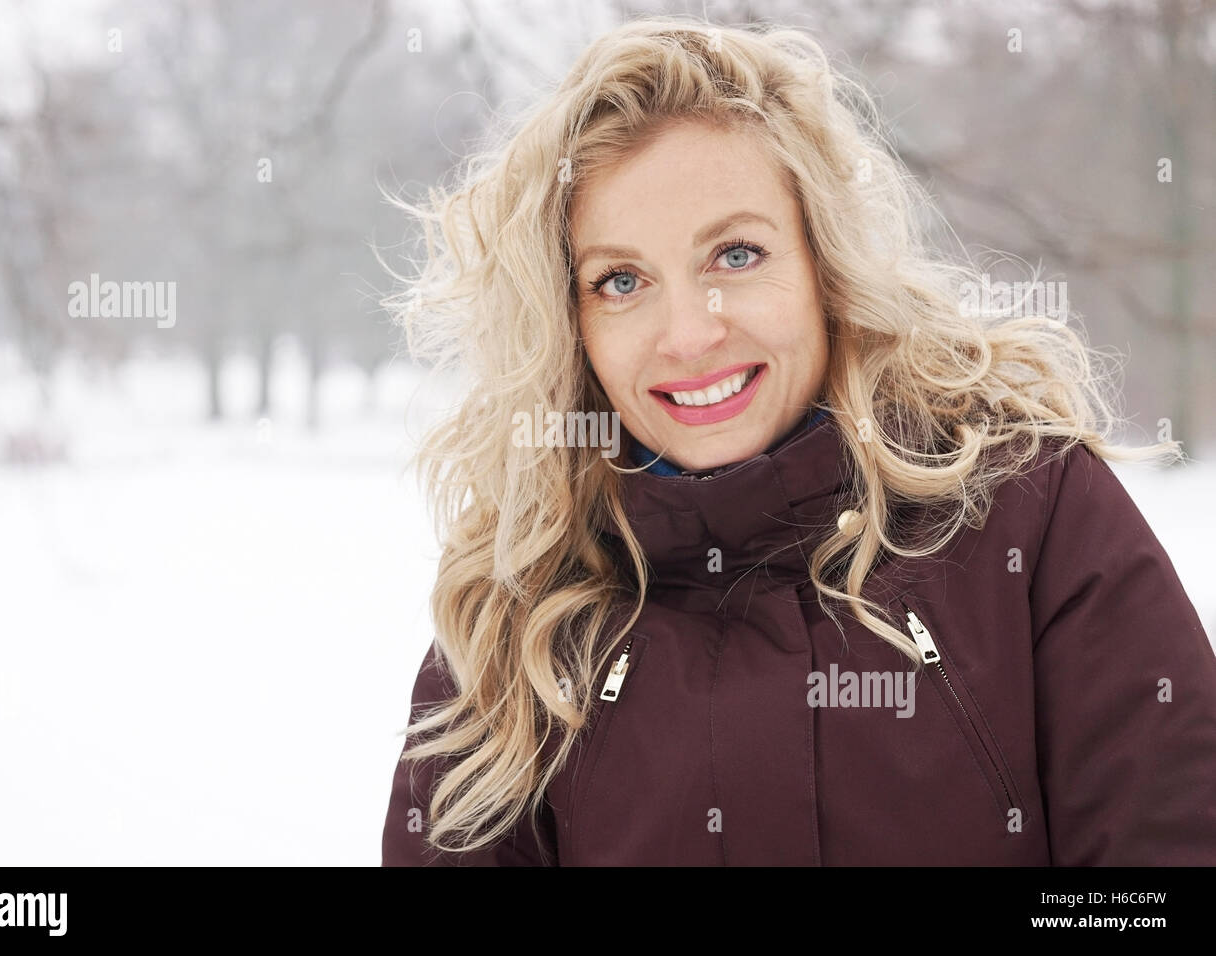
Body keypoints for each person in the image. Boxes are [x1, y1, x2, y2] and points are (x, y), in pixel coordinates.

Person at [377, 17, 1216, 865]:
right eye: (621, 281)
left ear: (824, 262)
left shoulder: (1030, 517)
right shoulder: (515, 618)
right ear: (571, 323)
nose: (687, 335)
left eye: (735, 255)